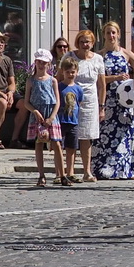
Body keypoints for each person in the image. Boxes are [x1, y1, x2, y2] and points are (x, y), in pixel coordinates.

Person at [92, 21, 134, 180]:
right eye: (108, 33)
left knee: (125, 135)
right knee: (106, 136)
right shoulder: (99, 56)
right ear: (103, 35)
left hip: (125, 102)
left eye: (113, 33)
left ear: (118, 34)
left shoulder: (126, 54)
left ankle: (126, 169)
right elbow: (97, 80)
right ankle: (104, 168)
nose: (111, 36)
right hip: (108, 100)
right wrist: (116, 78)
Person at [70, 29, 107, 181]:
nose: (85, 45)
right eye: (82, 42)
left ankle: (87, 171)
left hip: (91, 101)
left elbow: (102, 85)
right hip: (72, 100)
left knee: (87, 137)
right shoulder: (70, 57)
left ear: (92, 43)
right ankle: (70, 171)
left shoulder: (98, 59)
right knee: (71, 136)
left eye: (88, 42)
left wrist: (101, 106)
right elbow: (60, 79)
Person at [25, 49, 63, 187]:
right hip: (38, 114)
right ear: (35, 63)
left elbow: (57, 101)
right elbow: (26, 101)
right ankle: (41, 174)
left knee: (57, 143)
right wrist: (34, 111)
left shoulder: (52, 81)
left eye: (44, 63)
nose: (41, 65)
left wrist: (52, 117)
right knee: (39, 143)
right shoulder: (31, 81)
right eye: (39, 62)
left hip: (50, 112)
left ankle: (62, 174)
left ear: (49, 64)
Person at [55, 57, 84, 185]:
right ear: (63, 72)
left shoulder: (78, 89)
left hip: (73, 121)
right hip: (60, 121)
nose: (70, 74)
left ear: (76, 72)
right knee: (58, 148)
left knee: (71, 148)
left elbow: (79, 102)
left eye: (73, 72)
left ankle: (70, 172)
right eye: (68, 72)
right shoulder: (59, 86)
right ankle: (58, 173)